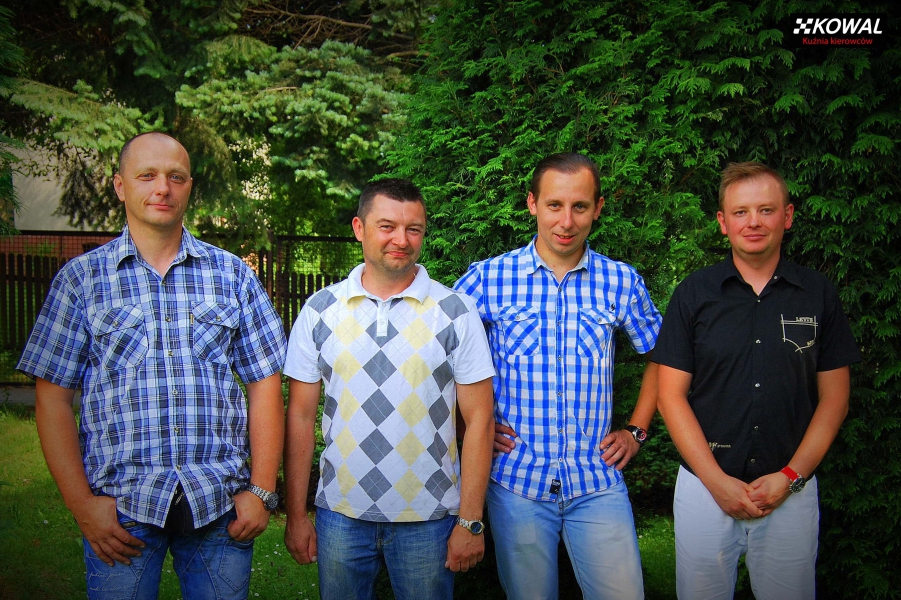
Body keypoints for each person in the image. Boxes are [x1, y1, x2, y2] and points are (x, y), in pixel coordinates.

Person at [17, 132, 287, 600]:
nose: (162, 187)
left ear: (189, 187)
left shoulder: (233, 276)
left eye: (175, 177)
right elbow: (53, 400)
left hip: (219, 505)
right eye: (147, 175)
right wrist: (82, 506)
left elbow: (265, 383)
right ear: (120, 186)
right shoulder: (82, 281)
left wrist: (261, 491)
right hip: (121, 509)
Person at [454, 152, 662, 600]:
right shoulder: (488, 278)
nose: (566, 221)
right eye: (554, 205)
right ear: (532, 203)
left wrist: (636, 430)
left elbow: (663, 357)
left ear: (598, 208)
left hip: (597, 481)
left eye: (580, 206)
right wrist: (469, 427)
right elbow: (440, 360)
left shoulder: (621, 281)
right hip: (517, 483)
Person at [653, 162, 861, 599]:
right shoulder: (694, 293)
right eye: (741, 212)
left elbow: (835, 399)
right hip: (704, 489)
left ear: (787, 216)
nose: (753, 222)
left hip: (790, 489)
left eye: (766, 210)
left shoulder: (818, 293)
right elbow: (670, 396)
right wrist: (715, 482)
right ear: (722, 222)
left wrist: (790, 476)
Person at [282, 178, 495, 600]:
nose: (402, 239)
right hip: (340, 513)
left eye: (414, 229)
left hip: (430, 517)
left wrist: (470, 521)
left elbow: (480, 420)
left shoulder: (455, 312)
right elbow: (300, 418)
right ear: (359, 228)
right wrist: (296, 515)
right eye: (387, 227)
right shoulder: (320, 310)